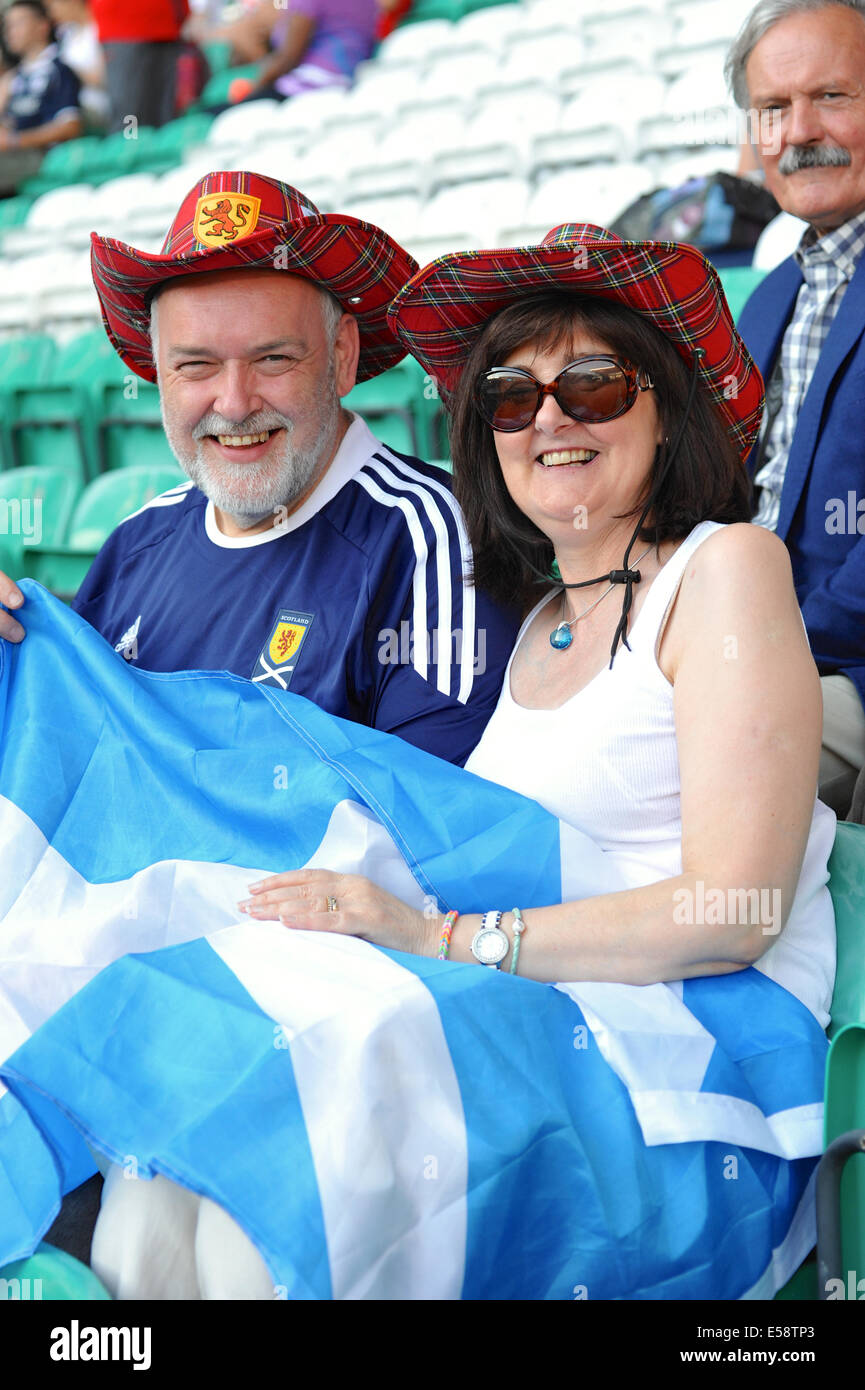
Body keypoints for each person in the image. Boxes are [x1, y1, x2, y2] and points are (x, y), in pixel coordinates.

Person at [83, 223, 836, 1301]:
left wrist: (443, 937)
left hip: (693, 1061)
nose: (550, 421)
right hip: (548, 1013)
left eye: (594, 384)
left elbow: (735, 907)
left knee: (285, 1165)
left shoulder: (726, 569)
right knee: (174, 1156)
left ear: (666, 408)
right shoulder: (534, 623)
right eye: (509, 397)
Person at [0, 169, 518, 767]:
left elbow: (423, 832)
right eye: (195, 365)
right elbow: (61, 773)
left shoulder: (440, 545)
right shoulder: (136, 543)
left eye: (273, 358)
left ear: (342, 357)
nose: (235, 403)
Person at [726, 0, 865, 815]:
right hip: (757, 655)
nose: (799, 130)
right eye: (773, 109)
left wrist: (761, 654)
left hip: (842, 671)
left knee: (676, 789)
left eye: (833, 97)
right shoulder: (769, 299)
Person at [0, 0, 81, 191]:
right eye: (7, 25)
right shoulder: (14, 78)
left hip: (42, 156)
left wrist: (15, 140)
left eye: (18, 23)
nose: (10, 31)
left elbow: (71, 127)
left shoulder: (59, 70)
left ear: (42, 26)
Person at [237, 0, 379, 102]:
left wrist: (254, 89)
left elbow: (288, 59)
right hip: (351, 83)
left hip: (308, 87)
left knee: (223, 112)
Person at [89, 0, 189, 131]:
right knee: (130, 118)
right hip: (123, 26)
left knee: (165, 117)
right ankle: (128, 150)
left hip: (167, 24)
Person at [47, 0, 108, 126]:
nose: (52, 11)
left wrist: (67, 71)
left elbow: (105, 77)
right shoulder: (67, 34)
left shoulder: (98, 27)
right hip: (74, 106)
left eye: (54, 4)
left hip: (100, 106)